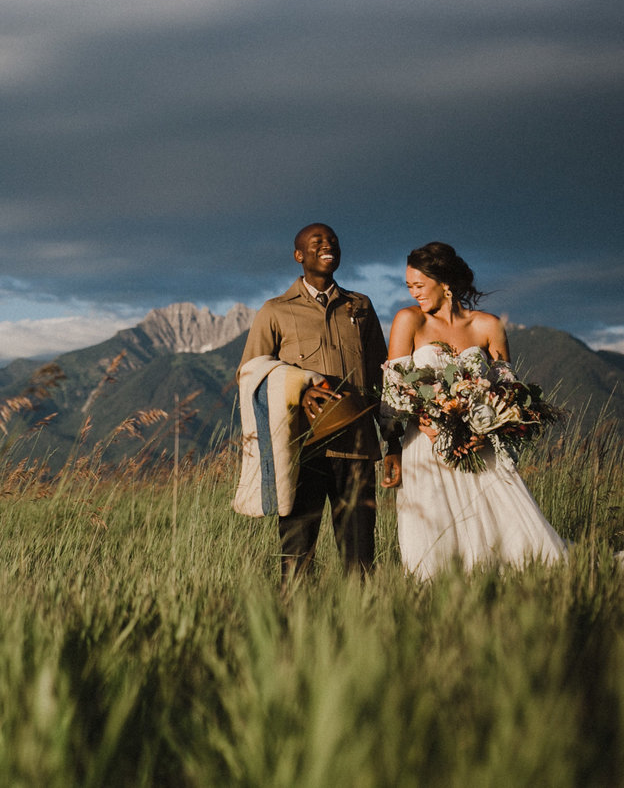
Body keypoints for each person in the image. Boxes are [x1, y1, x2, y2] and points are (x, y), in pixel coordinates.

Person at [384, 242, 566, 578]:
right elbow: (395, 389)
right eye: (409, 286)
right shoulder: (408, 320)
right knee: (436, 540)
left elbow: (507, 394)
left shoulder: (488, 326)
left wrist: (484, 429)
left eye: (419, 286)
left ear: (445, 283)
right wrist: (425, 421)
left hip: (480, 447)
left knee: (511, 535)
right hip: (426, 448)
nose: (414, 294)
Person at [241, 223, 399, 581]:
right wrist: (299, 387)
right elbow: (250, 374)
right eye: (317, 242)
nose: (328, 245)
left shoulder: (360, 307)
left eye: (333, 241)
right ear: (299, 256)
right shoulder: (275, 310)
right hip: (301, 451)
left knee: (360, 556)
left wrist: (393, 440)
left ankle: (362, 628)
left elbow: (382, 377)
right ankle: (294, 630)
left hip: (357, 448)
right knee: (296, 556)